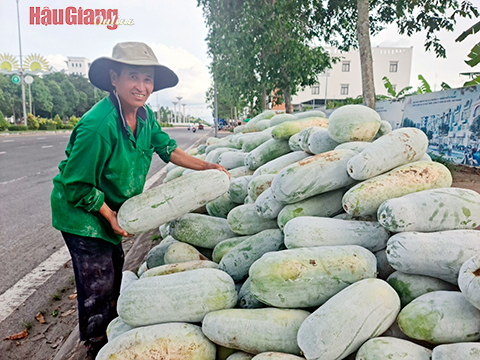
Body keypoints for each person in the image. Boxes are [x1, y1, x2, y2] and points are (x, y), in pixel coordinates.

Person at [50, 42, 228, 358]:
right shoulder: (98, 125)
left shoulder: (145, 117)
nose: (142, 87)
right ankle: (95, 345)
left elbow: (168, 149)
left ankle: (111, 332)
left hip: (110, 206)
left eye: (148, 80)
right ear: (115, 78)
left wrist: (208, 167)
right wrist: (109, 215)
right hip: (80, 211)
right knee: (98, 282)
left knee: (115, 268)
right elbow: (76, 185)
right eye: (134, 77)